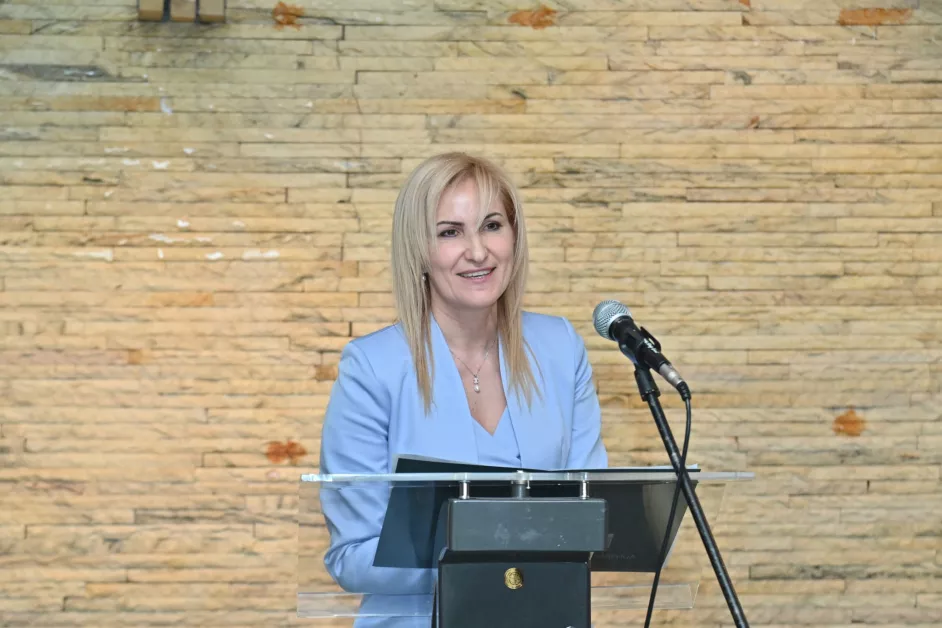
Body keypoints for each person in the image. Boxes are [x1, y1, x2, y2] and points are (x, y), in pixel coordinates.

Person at [317, 152, 608, 626]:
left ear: (514, 236)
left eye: (492, 226)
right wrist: (482, 554)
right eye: (450, 232)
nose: (477, 251)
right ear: (418, 250)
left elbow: (591, 518)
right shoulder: (373, 367)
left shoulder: (559, 348)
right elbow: (351, 555)